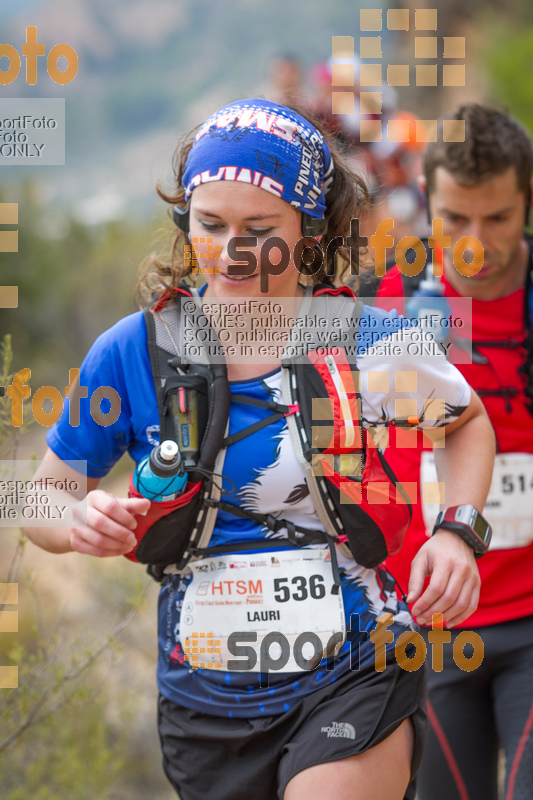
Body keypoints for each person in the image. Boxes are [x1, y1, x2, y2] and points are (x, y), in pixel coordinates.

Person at [24, 98, 495, 800]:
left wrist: (457, 532)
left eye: (260, 229)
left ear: (309, 231)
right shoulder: (134, 351)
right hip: (204, 700)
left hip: (355, 669)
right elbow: (38, 501)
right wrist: (78, 521)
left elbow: (464, 422)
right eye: (210, 226)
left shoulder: (359, 336)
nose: (233, 252)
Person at [376, 103, 533, 800]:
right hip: (430, 627)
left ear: (525, 201)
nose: (473, 243)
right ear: (425, 202)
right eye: (454, 219)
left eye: (496, 219)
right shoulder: (390, 301)